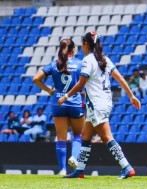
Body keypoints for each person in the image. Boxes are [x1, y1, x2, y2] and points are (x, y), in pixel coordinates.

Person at [58, 31, 141, 179]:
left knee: (106, 137)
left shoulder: (87, 60)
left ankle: (127, 167)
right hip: (102, 103)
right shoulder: (105, 59)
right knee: (85, 135)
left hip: (96, 104)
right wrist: (131, 95)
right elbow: (120, 79)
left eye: (82, 44)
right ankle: (79, 170)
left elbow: (80, 84)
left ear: (85, 44)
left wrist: (66, 96)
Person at [33, 38, 84, 176]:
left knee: (61, 138)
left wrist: (49, 90)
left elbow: (36, 78)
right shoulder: (80, 64)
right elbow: (83, 84)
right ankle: (73, 157)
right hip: (75, 103)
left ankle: (62, 169)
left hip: (58, 104)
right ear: (73, 49)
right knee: (78, 135)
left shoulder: (55, 64)